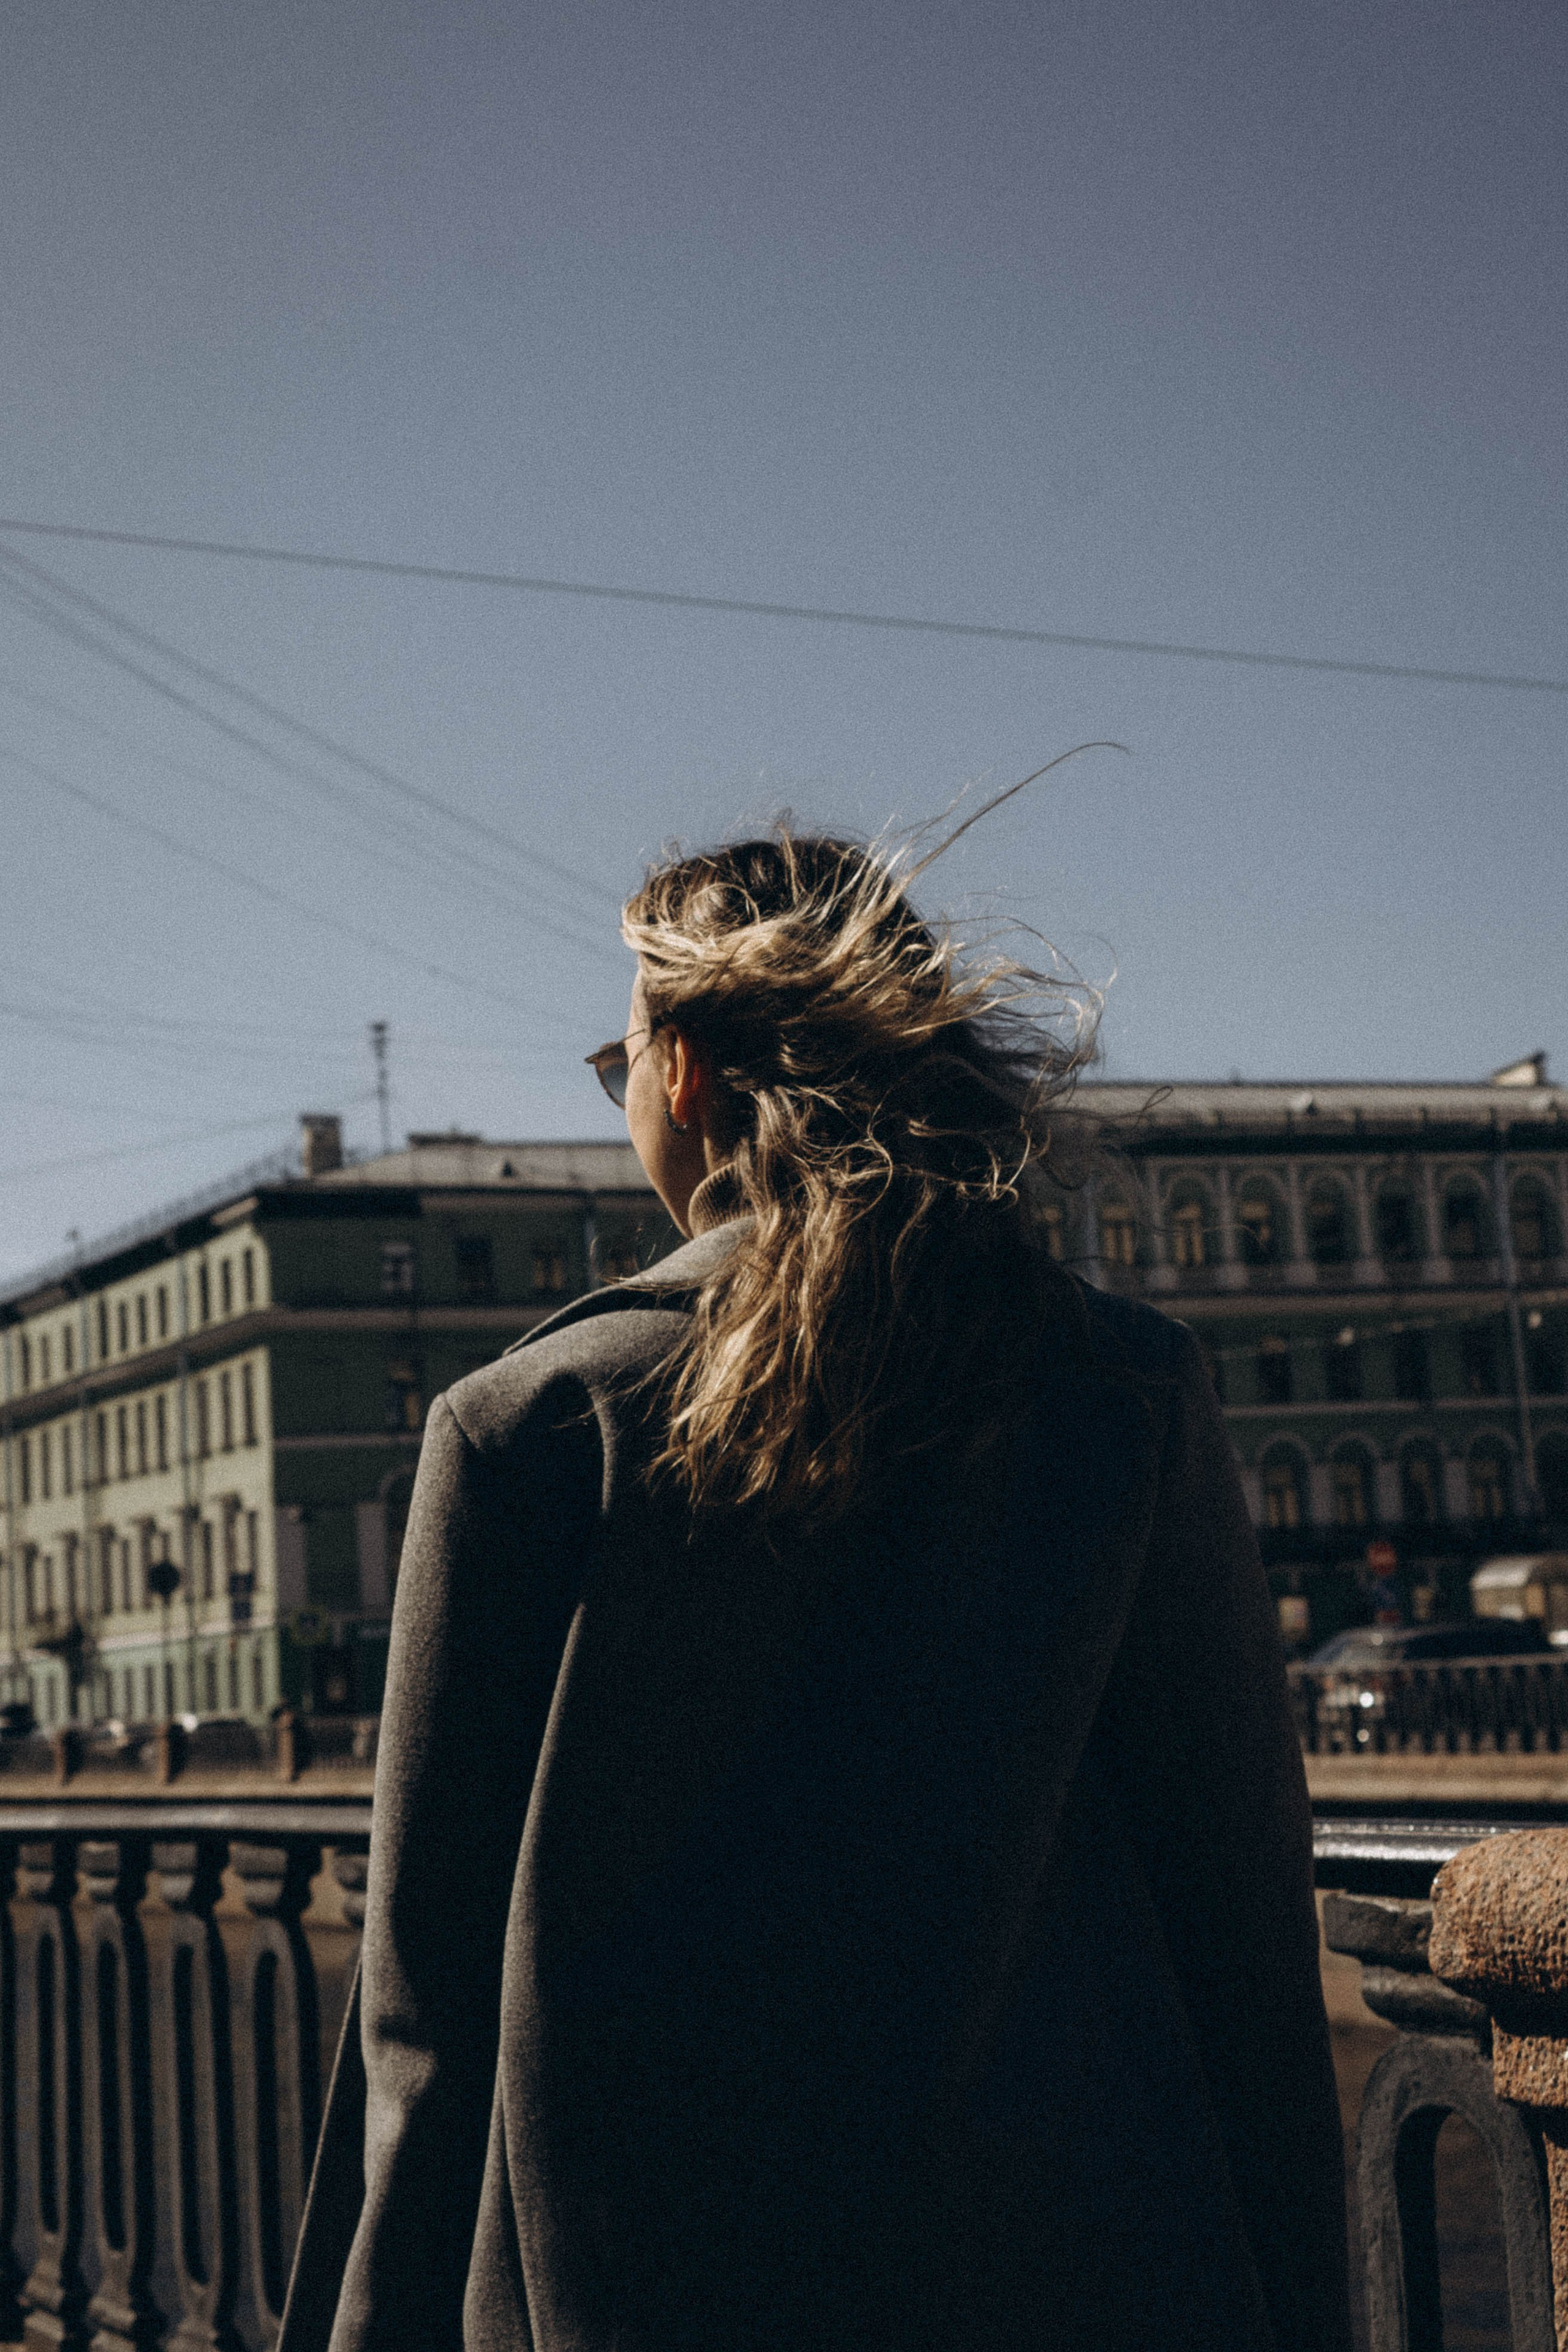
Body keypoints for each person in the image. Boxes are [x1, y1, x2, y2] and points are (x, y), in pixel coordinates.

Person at [281, 823, 1352, 2352]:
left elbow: (426, 2023)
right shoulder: (1123, 1394)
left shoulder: (536, 1427)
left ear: (686, 1074)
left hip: (631, 2293)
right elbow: (1241, 1942)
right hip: (1071, 2280)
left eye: (618, 1059)